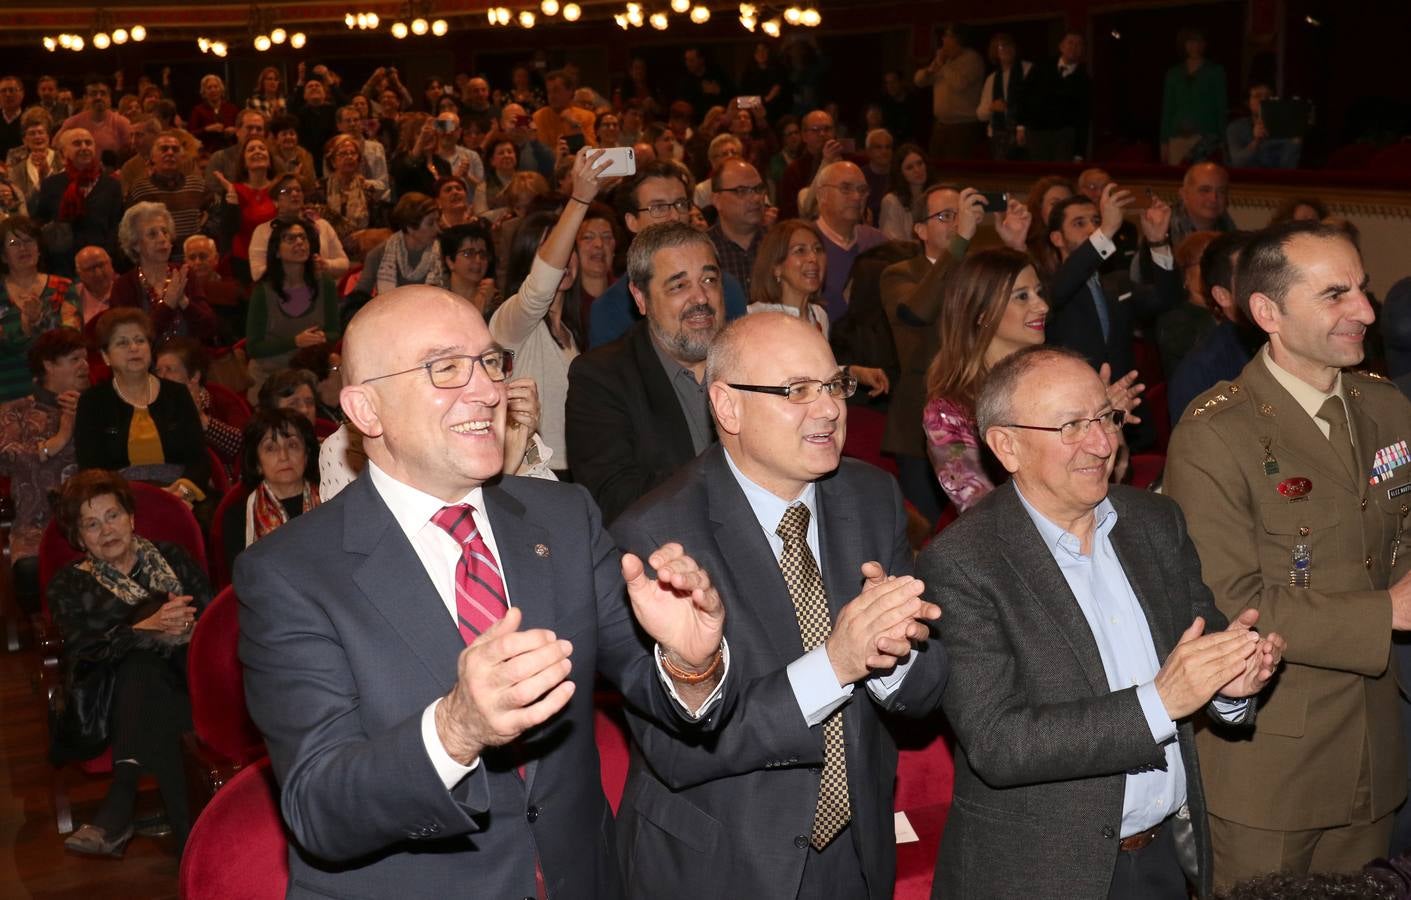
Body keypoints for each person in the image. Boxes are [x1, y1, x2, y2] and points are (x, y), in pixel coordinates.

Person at [236, 277, 729, 898]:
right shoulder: (289, 573)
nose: (488, 391)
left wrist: (690, 662)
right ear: (366, 411)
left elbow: (649, 682)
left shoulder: (563, 517)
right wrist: (455, 729)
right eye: (445, 369)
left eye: (490, 364)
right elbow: (320, 808)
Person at [921, 343, 1281, 898]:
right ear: (1006, 446)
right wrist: (1160, 701)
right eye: (1070, 426)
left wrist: (1231, 684)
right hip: (1043, 874)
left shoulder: (1155, 522)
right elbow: (999, 742)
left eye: (1104, 418)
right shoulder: (962, 562)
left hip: (1165, 857)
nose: (1101, 442)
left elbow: (1203, 645)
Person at [611, 311, 948, 899]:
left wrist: (895, 655)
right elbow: (678, 749)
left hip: (856, 853)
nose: (829, 410)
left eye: (834, 385)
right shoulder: (656, 536)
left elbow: (928, 684)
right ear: (728, 407)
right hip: (719, 865)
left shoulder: (871, 497)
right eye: (796, 391)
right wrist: (837, 664)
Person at [1164, 221, 1411, 889]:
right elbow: (1228, 600)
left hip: (1375, 752)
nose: (1363, 310)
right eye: (1334, 294)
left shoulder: (1386, 408)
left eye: (1360, 288)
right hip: (1272, 771)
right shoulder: (1217, 433)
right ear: (1266, 313)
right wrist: (1382, 612)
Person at [49, 470, 210, 857]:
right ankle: (195, 847)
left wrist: (190, 625)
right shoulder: (68, 585)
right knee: (142, 665)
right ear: (78, 537)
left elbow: (215, 617)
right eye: (91, 523)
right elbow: (81, 651)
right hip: (108, 704)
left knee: (153, 676)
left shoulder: (174, 559)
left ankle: (120, 807)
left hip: (190, 680)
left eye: (113, 516)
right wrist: (144, 628)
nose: (106, 530)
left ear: (131, 518)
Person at [567, 222, 726, 524]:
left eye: (709, 279)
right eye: (679, 286)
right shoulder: (602, 377)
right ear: (641, 298)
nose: (702, 298)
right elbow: (614, 497)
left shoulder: (752, 364)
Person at [489, 149, 611, 475]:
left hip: (574, 474)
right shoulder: (512, 320)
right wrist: (580, 200)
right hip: (529, 473)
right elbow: (541, 286)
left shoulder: (572, 331)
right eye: (553, 250)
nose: (566, 259)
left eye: (570, 249)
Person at [920, 247, 1053, 512]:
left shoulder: (1053, 382)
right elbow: (978, 508)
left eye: (1038, 292)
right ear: (983, 314)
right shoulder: (948, 413)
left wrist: (1103, 427)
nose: (1042, 306)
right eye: (1022, 297)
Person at [586, 161, 748, 349]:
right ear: (632, 222)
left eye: (681, 204)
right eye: (658, 208)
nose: (674, 216)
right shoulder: (609, 309)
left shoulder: (723, 288)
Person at [1045, 188, 1182, 382]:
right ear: (1056, 238)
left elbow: (1167, 299)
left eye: (1096, 221)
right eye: (1079, 223)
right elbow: (1066, 283)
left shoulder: (1117, 282)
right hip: (1075, 401)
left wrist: (1158, 241)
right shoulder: (1049, 285)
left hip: (1127, 401)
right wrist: (1106, 230)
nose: (1092, 229)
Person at [75, 308, 209, 495]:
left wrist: (183, 491)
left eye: (140, 340)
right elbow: (91, 472)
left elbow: (199, 460)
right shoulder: (93, 402)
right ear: (105, 356)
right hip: (121, 497)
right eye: (122, 343)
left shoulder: (177, 394)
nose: (134, 348)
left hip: (181, 493)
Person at [0, 326, 85, 614]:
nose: (85, 366)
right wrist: (59, 440)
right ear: (49, 364)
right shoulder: (16, 412)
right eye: (75, 359)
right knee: (31, 567)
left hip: (94, 523)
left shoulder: (97, 406)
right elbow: (8, 459)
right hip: (37, 526)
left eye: (86, 359)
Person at [246, 217, 342, 390]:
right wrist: (295, 342)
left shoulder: (325, 283)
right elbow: (253, 347)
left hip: (312, 368)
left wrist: (322, 337)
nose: (299, 242)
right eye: (290, 239)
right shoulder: (263, 291)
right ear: (276, 251)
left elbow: (335, 331)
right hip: (272, 373)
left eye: (303, 238)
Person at [221, 407, 319, 574]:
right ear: (257, 463)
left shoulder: (332, 500)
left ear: (307, 454)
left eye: (292, 445)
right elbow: (244, 582)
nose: (284, 456)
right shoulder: (238, 516)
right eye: (271, 448)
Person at [110, 203, 220, 346]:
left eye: (165, 232)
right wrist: (168, 304)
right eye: (152, 234)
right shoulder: (124, 286)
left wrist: (184, 302)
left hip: (188, 364)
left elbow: (209, 328)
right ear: (135, 244)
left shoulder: (185, 275)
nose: (162, 239)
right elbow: (135, 339)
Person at [0, 215, 78, 401]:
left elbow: (71, 339)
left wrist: (39, 320)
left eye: (29, 240)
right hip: (7, 394)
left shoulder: (64, 287)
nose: (23, 247)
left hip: (57, 395)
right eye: (13, 243)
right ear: (3, 255)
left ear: (39, 248)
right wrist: (26, 325)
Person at [29, 128, 124, 276]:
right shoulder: (51, 185)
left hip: (100, 264)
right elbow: (40, 221)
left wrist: (106, 256)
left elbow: (116, 225)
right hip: (62, 267)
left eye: (88, 143)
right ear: (62, 153)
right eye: (77, 143)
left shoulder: (112, 185)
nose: (84, 147)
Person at [154, 336, 245, 478]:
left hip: (218, 484)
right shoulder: (153, 405)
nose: (162, 377)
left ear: (194, 376)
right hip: (172, 483)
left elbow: (245, 445)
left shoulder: (221, 400)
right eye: (158, 370)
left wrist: (203, 420)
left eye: (169, 370)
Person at [812, 161, 887, 323]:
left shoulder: (878, 242)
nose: (856, 197)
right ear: (821, 195)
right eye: (845, 188)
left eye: (862, 190)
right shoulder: (804, 243)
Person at [123, 131, 212, 261]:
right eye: (164, 149)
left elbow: (216, 214)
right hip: (155, 260)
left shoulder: (198, 185)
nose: (170, 153)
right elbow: (130, 229)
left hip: (193, 260)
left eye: (175, 149)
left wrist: (204, 232)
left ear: (181, 157)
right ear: (152, 157)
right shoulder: (139, 189)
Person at [247, 175, 348, 283]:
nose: (295, 194)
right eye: (286, 191)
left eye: (298, 190)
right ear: (275, 201)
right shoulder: (263, 231)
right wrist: (292, 267)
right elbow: (257, 273)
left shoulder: (322, 226)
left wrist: (325, 264)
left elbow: (344, 264)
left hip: (320, 290)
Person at [1015, 31, 1091, 162]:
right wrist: (1020, 126)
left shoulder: (1084, 80)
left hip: (1064, 135)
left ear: (1082, 50)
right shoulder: (1041, 66)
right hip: (1036, 131)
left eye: (1079, 44)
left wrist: (1079, 152)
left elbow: (1083, 117)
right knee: (1038, 173)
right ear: (1061, 46)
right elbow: (1024, 95)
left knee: (1059, 174)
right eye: (1070, 43)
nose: (1074, 47)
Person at [914, 23, 985, 160]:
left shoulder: (972, 59)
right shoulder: (943, 60)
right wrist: (929, 71)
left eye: (947, 36)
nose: (943, 39)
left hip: (962, 127)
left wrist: (943, 65)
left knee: (957, 169)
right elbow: (919, 82)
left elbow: (959, 84)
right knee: (935, 165)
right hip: (940, 124)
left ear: (958, 39)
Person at [1154, 231, 1220, 377]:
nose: (1215, 268)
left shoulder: (1232, 312)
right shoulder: (1174, 321)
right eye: (1205, 261)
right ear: (1186, 276)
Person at [212, 136, 276, 284]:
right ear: (244, 162)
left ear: (270, 160)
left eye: (262, 148)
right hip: (242, 263)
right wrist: (232, 199)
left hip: (275, 260)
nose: (257, 152)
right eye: (251, 149)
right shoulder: (234, 190)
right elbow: (228, 230)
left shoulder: (279, 189)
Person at [1160, 29, 1228, 166]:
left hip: (1205, 139)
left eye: (1199, 41)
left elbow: (1221, 107)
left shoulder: (1215, 71)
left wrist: (1223, 142)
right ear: (1184, 44)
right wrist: (1164, 142)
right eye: (1191, 41)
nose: (1195, 46)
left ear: (1205, 44)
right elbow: (1167, 109)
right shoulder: (1173, 73)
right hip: (1177, 138)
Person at [706, 158, 768, 293]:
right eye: (742, 191)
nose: (756, 198)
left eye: (758, 189)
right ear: (717, 200)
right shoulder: (704, 249)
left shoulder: (778, 243)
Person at [777, 109, 843, 220]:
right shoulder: (794, 170)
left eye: (827, 129)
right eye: (815, 130)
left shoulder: (847, 163)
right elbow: (790, 214)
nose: (822, 134)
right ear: (804, 136)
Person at [977, 33, 1031, 160]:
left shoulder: (1028, 70)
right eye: (1001, 47)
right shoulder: (992, 79)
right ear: (995, 52)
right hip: (999, 140)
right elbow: (980, 115)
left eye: (1009, 45)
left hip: (1026, 135)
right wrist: (992, 107)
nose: (1006, 49)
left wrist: (1022, 127)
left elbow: (1035, 103)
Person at [377, 192, 444, 291]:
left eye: (438, 221)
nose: (438, 229)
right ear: (410, 227)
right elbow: (359, 296)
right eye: (430, 223)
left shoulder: (443, 252)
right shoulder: (379, 253)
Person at [1228, 83, 1302, 169]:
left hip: (1276, 180)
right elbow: (1237, 163)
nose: (1263, 99)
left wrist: (1296, 143)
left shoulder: (1285, 128)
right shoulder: (1236, 128)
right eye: (1257, 96)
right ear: (1248, 102)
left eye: (1268, 96)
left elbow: (1288, 167)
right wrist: (1256, 141)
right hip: (1247, 180)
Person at [60, 78, 132, 160]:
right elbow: (56, 145)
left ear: (109, 98)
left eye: (103, 93)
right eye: (93, 94)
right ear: (85, 98)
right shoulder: (72, 122)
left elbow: (130, 153)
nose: (98, 97)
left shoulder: (122, 123)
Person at [439, 221, 498, 314]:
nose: (478, 260)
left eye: (483, 254)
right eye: (469, 253)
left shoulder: (494, 299)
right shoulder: (437, 299)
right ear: (450, 261)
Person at [574, 203, 616, 329]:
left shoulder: (628, 294)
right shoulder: (566, 303)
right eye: (588, 237)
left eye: (607, 237)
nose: (599, 244)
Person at [877, 143, 929, 242]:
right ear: (900, 174)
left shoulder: (936, 195)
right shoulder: (891, 201)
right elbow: (895, 244)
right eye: (910, 167)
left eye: (920, 163)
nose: (917, 170)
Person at [188, 74, 239, 155]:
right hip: (207, 153)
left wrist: (234, 130)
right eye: (209, 88)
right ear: (204, 92)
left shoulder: (232, 109)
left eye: (216, 87)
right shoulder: (198, 110)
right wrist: (206, 129)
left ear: (221, 90)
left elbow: (240, 129)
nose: (213, 90)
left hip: (231, 151)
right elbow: (190, 134)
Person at [71, 245, 115, 327]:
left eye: (101, 265)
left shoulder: (126, 288)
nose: (98, 273)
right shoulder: (73, 295)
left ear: (111, 263)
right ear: (79, 274)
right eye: (90, 269)